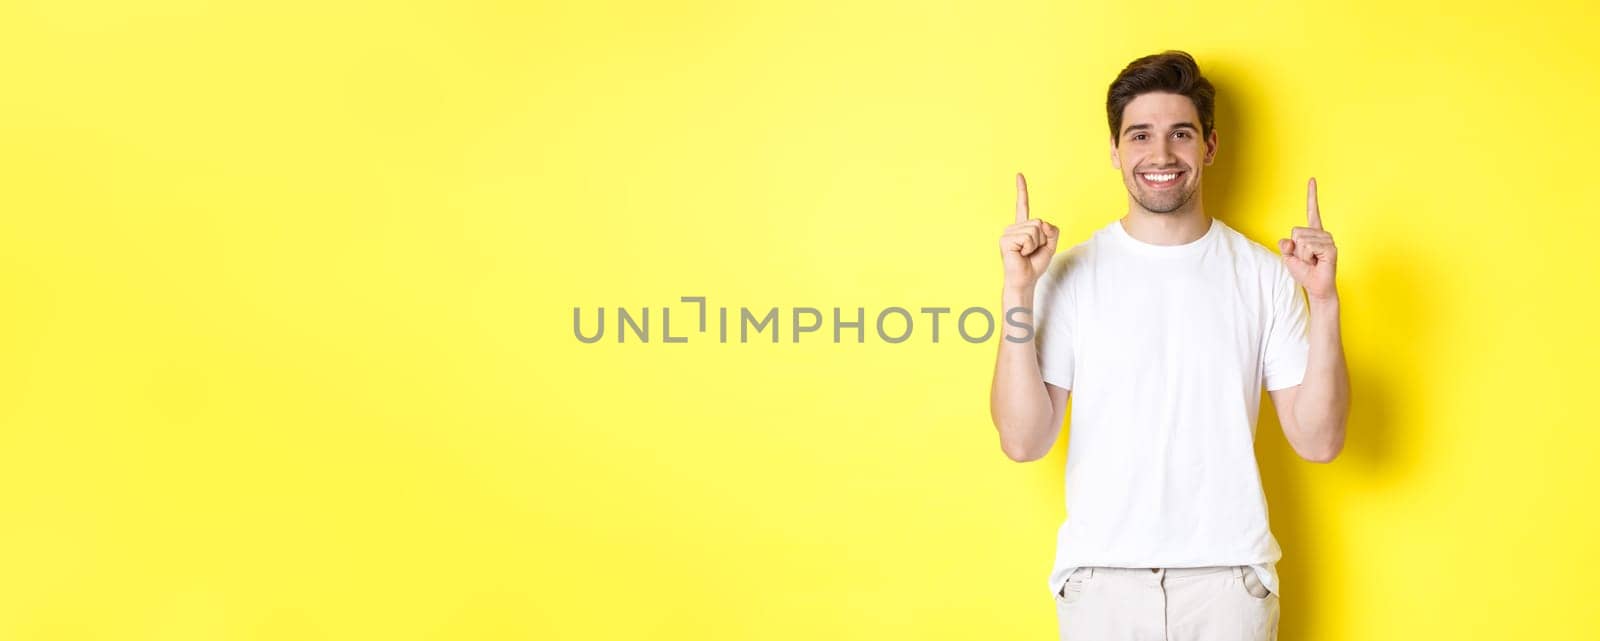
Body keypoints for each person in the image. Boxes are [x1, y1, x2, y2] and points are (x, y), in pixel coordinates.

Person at [988, 50, 1350, 641]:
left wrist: (1325, 301)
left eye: (1180, 133)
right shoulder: (1068, 275)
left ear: (1208, 146)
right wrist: (1017, 292)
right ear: (1114, 150)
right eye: (1140, 135)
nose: (1160, 155)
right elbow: (1023, 440)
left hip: (1228, 585)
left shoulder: (1265, 276)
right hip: (1101, 584)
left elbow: (1319, 440)